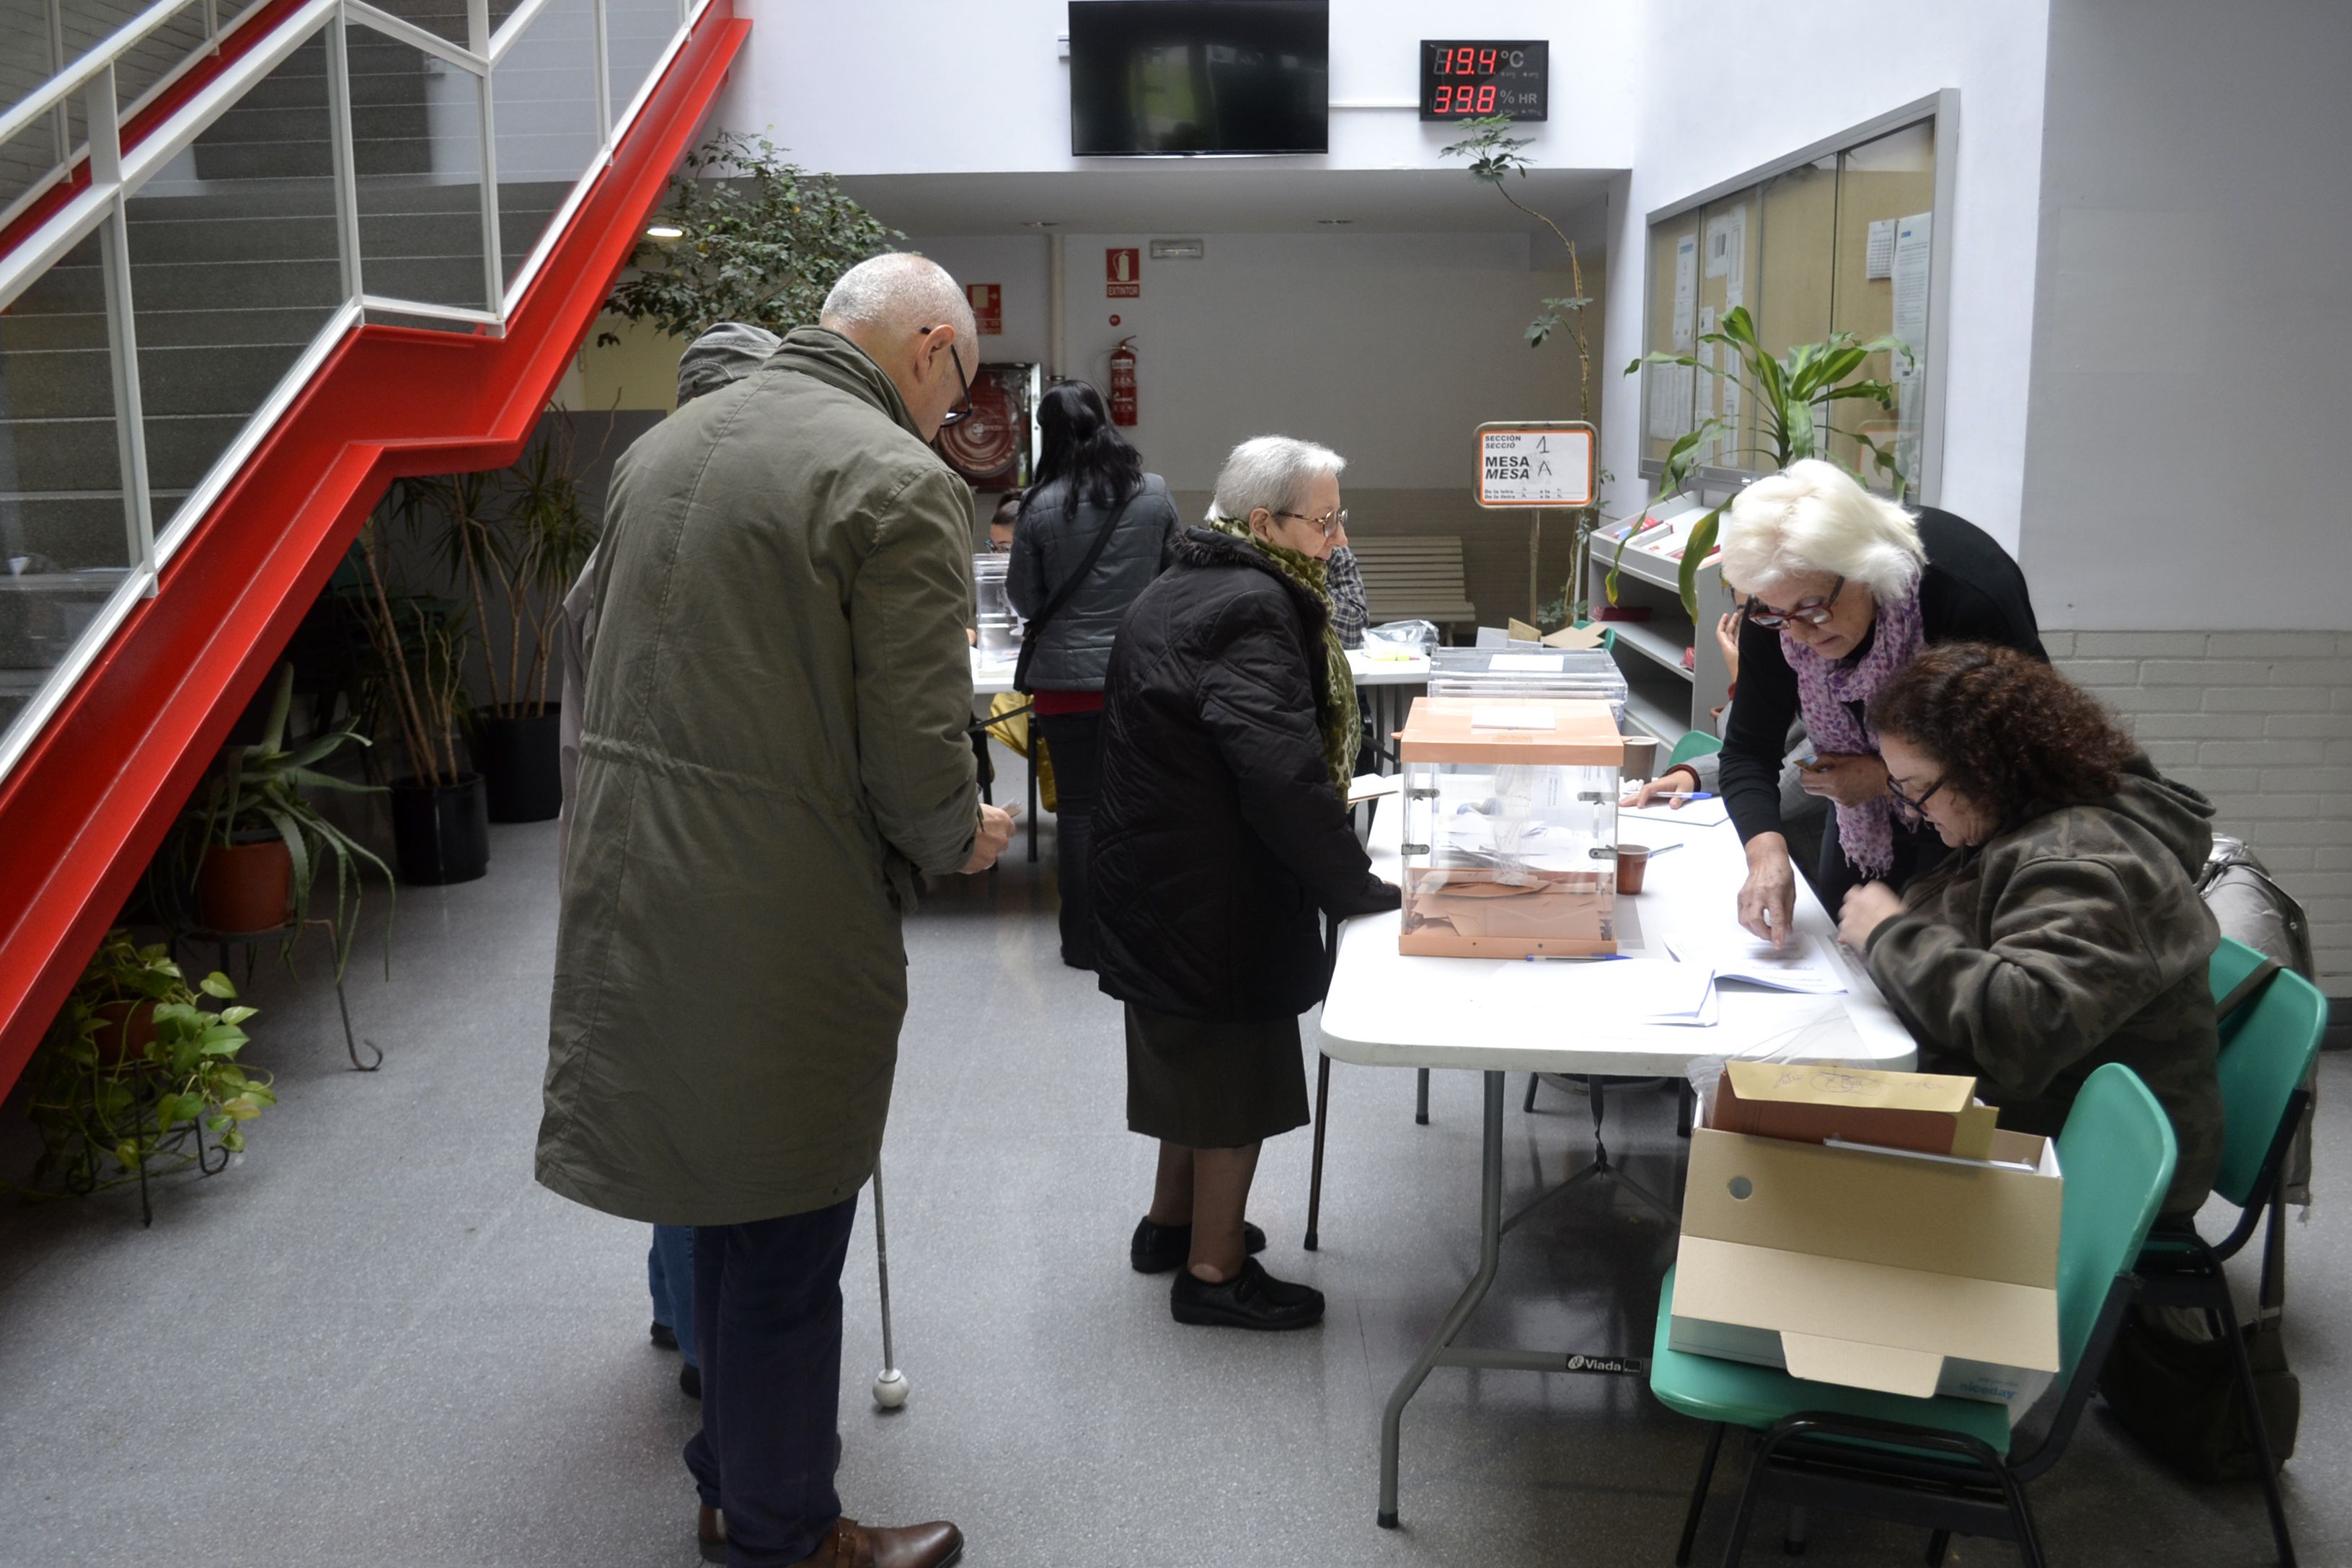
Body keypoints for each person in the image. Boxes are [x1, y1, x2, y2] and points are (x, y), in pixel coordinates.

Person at [539, 254, 1014, 1568]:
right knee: (795, 1231)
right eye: (962, 387)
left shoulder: (670, 444)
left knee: (717, 1196)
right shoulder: (892, 479)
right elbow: (918, 754)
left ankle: (729, 1484)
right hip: (779, 909)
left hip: (640, 883)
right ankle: (788, 1536)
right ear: (929, 348)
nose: (954, 418)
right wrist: (958, 835)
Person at [1090, 435, 1400, 1330]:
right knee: (1236, 1082)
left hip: (1153, 878)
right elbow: (1279, 771)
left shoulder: (1178, 580)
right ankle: (1214, 1273)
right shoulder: (1254, 606)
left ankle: (1170, 1225)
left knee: (1184, 1063)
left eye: (1342, 518)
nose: (1337, 540)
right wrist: (1354, 886)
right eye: (1324, 520)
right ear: (1263, 522)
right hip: (1216, 892)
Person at [556, 319, 782, 1407]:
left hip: (614, 857)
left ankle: (668, 1298)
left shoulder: (623, 537)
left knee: (665, 1099)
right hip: (688, 864)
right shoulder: (710, 547)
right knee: (706, 1114)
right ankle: (703, 1337)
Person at [1836, 644, 2224, 1217]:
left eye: (1917, 787)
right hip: (2047, 1109)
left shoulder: (2089, 860)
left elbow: (2028, 1024)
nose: (1913, 811)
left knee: (1800, 1133)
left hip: (2094, 1157)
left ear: (1984, 766)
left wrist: (1892, 935)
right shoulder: (2019, 821)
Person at [1713, 459, 2045, 944]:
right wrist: (1766, 856)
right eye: (1779, 615)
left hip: (1973, 823)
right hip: (1860, 826)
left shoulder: (1965, 598)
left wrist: (1886, 779)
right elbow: (1748, 751)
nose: (1799, 635)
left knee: (1935, 968)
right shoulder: (1781, 608)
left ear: (1863, 569)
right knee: (1843, 954)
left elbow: (2024, 762)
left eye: (1814, 610)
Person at [1005, 381, 1181, 970]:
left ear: (1048, 434)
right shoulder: (1153, 496)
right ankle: (1136, 935)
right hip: (1140, 679)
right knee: (1137, 807)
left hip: (1063, 688)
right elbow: (1176, 579)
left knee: (1078, 809)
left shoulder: (1037, 506)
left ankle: (1081, 943)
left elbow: (1025, 599)